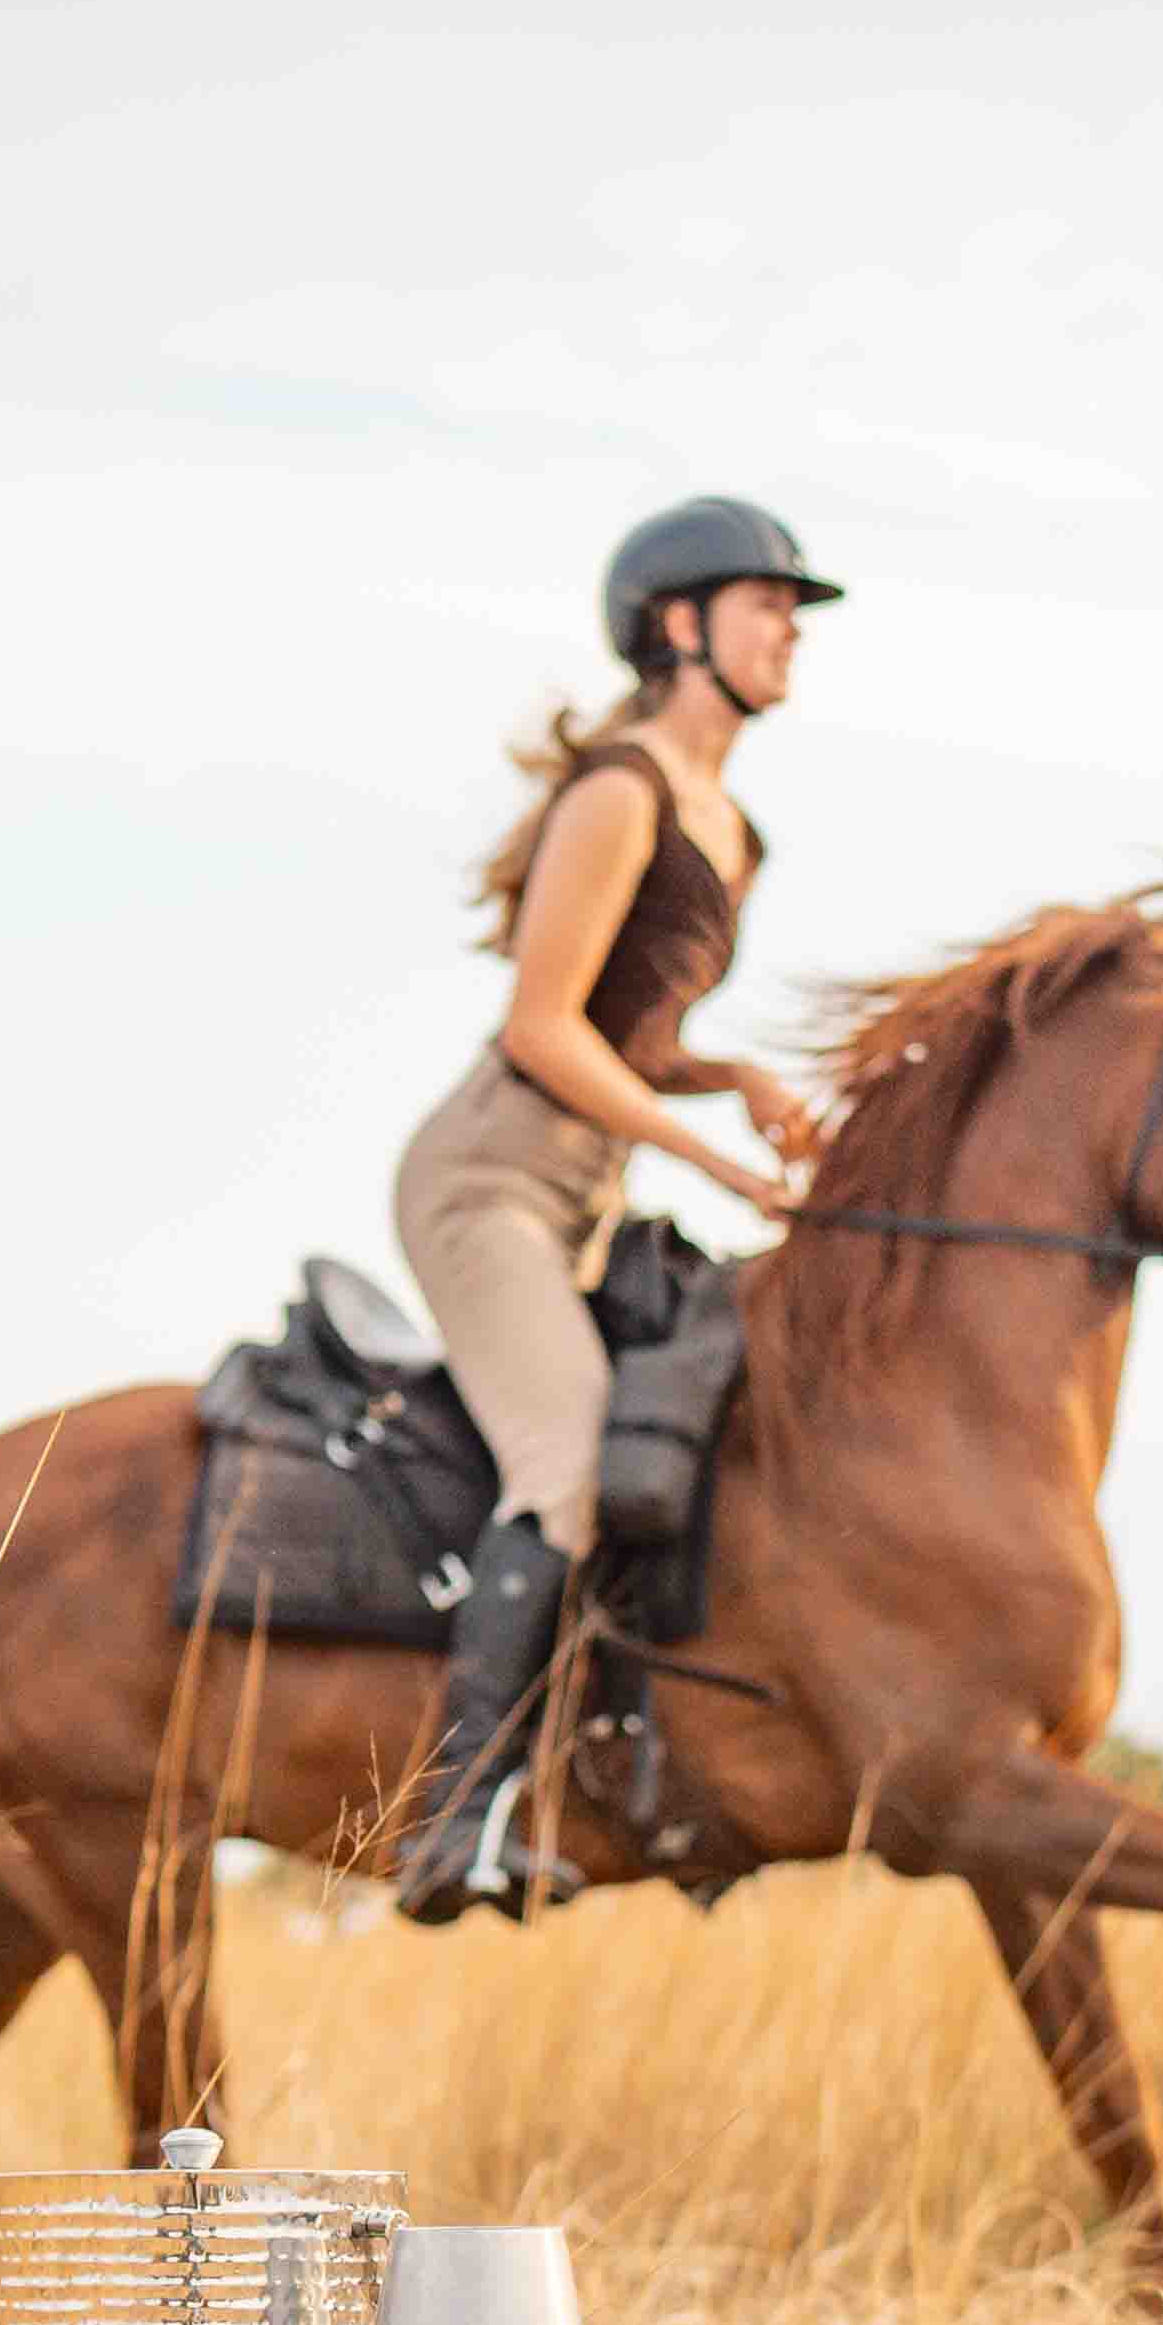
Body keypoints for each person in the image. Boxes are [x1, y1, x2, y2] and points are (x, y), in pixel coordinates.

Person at [388, 493, 838, 1923]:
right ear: (678, 626)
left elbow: (627, 1036)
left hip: (584, 1190)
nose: (790, 633)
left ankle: (611, 1763)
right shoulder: (619, 793)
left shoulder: (733, 828)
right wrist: (706, 1157)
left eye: (790, 612)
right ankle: (451, 1819)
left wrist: (739, 1078)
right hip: (488, 1183)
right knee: (570, 1467)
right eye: (767, 606)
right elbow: (541, 1027)